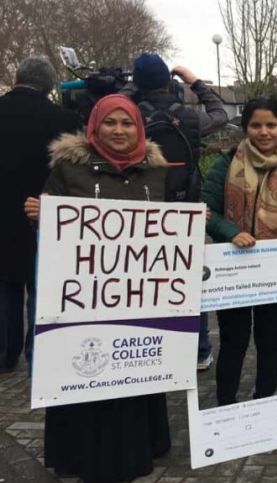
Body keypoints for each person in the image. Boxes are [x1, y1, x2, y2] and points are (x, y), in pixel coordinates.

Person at [24, 94, 170, 482]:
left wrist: (188, 224)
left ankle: (137, 449)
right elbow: (56, 225)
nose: (119, 131)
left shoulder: (156, 172)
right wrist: (42, 214)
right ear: (94, 126)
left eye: (127, 124)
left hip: (135, 302)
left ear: (139, 128)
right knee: (85, 374)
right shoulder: (68, 168)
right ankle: (79, 454)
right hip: (81, 302)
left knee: (130, 376)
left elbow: (164, 230)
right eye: (110, 123)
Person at [201, 96, 277, 406]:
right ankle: (226, 402)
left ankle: (264, 400)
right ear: (246, 127)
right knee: (234, 341)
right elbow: (208, 210)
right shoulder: (226, 162)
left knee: (270, 340)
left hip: (275, 270)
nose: (264, 132)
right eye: (256, 125)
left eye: (271, 125)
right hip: (233, 268)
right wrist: (232, 233)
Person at [126, 52, 229, 371]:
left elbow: (101, 112)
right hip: (186, 209)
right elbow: (221, 114)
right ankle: (199, 350)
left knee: (144, 280)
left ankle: (153, 346)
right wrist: (196, 82)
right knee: (188, 279)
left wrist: (130, 89)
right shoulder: (189, 118)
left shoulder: (128, 117)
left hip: (140, 210)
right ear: (168, 82)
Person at [0, 57, 80, 372]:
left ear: (18, 77)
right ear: (49, 86)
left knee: (6, 287)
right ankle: (39, 354)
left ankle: (6, 354)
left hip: (3, 217)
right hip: (48, 215)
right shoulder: (65, 120)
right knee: (41, 287)